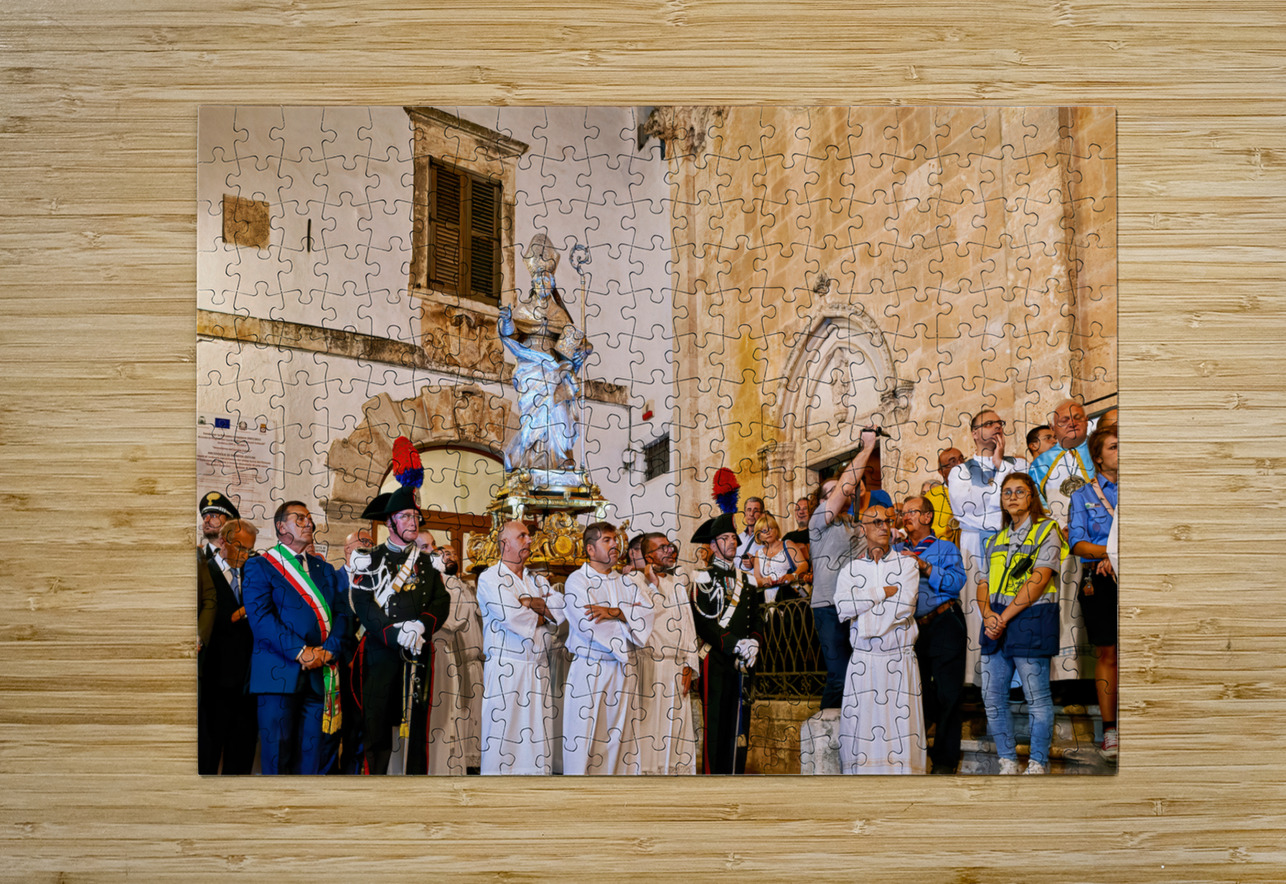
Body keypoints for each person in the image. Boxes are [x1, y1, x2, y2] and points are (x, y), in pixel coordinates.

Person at [347, 488, 450, 775]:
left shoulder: (428, 562)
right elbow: (363, 604)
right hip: (380, 654)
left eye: (415, 516)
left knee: (418, 727)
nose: (413, 522)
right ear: (389, 522)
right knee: (376, 726)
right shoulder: (369, 559)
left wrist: (421, 625)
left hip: (418, 651)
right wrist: (395, 633)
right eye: (405, 516)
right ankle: (374, 787)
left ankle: (416, 785)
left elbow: (441, 601)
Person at [242, 501, 349, 775]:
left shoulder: (325, 569)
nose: (309, 523)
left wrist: (328, 651)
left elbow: (342, 615)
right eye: (300, 518)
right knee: (278, 759)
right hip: (278, 678)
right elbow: (261, 619)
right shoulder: (259, 566)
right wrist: (301, 652)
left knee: (313, 760)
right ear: (281, 527)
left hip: (319, 676)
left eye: (309, 518)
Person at [977, 473, 1065, 774]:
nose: (1012, 497)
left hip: (1032, 616)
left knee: (1036, 698)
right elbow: (983, 583)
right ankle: (1007, 761)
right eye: (1007, 492)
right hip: (995, 622)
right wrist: (987, 614)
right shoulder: (994, 539)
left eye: (1019, 491)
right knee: (991, 696)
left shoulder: (1047, 530)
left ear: (1031, 497)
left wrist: (1001, 618)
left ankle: (1037, 763)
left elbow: (1039, 580)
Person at [833, 504, 926, 774]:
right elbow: (843, 608)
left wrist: (864, 607)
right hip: (864, 661)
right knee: (862, 733)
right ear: (862, 529)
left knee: (901, 732)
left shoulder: (907, 565)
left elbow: (903, 607)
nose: (883, 526)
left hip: (898, 661)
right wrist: (882, 592)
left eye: (887, 521)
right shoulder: (850, 570)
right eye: (875, 522)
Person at [561, 522, 654, 774]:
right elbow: (588, 624)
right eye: (607, 540)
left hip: (623, 668)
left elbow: (646, 615)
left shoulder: (626, 582)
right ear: (590, 549)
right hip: (591, 668)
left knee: (619, 735)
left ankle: (616, 788)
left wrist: (614, 612)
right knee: (585, 735)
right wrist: (626, 616)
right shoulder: (577, 581)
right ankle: (581, 789)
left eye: (615, 539)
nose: (615, 544)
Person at [477, 520, 564, 774]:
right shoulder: (490, 578)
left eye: (529, 536)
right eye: (522, 536)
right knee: (504, 735)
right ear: (505, 543)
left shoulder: (537, 580)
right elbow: (512, 616)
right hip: (507, 670)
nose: (529, 540)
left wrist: (529, 602)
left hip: (538, 669)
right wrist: (542, 612)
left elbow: (561, 610)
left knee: (537, 735)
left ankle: (535, 786)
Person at [947, 410, 1028, 683]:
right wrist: (1000, 482)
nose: (996, 427)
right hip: (975, 545)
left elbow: (1021, 502)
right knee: (976, 608)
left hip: (1014, 541)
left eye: (999, 423)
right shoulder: (959, 471)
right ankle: (979, 678)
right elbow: (966, 509)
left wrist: (1000, 467)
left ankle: (1018, 680)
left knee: (1015, 603)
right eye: (989, 423)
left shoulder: (1019, 464)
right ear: (974, 433)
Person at [896, 496, 968, 774]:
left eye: (912, 512)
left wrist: (924, 566)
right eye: (903, 513)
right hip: (912, 630)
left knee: (949, 693)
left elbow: (956, 582)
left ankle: (945, 763)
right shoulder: (896, 550)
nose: (906, 517)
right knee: (918, 693)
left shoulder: (945, 548)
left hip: (944, 621)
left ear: (927, 517)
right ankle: (915, 756)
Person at [809, 427, 878, 710]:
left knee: (859, 674)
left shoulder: (856, 525)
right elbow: (846, 486)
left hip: (856, 607)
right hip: (827, 607)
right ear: (821, 501)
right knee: (839, 675)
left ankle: (853, 727)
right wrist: (867, 448)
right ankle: (823, 730)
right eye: (831, 492)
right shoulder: (819, 521)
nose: (839, 493)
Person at [691, 513, 761, 774]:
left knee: (739, 724)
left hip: (744, 660)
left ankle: (735, 776)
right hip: (716, 660)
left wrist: (754, 642)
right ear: (713, 545)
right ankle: (713, 780)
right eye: (725, 538)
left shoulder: (748, 580)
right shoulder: (702, 577)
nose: (732, 541)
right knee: (716, 723)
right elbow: (703, 623)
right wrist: (734, 644)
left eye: (733, 537)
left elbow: (758, 618)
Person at [1069, 424, 1119, 760]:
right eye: (1114, 447)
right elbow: (1078, 543)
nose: (1121, 451)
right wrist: (1110, 555)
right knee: (1108, 653)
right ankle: (1110, 729)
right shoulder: (1082, 495)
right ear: (1098, 458)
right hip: (1099, 580)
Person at [198, 518, 259, 774]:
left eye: (249, 550)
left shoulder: (254, 575)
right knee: (208, 755)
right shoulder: (204, 572)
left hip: (248, 683)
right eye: (239, 547)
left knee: (241, 756)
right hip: (215, 681)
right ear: (223, 542)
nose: (244, 555)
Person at [636, 532, 699, 775]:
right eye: (662, 548)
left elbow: (688, 626)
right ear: (648, 556)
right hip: (650, 666)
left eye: (670, 546)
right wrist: (652, 584)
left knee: (676, 729)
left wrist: (689, 664)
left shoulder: (677, 584)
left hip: (677, 666)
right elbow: (640, 619)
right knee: (649, 726)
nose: (669, 551)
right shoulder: (634, 581)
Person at [333, 524, 373, 774]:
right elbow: (330, 623)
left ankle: (357, 773)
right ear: (348, 550)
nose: (369, 547)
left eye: (371, 544)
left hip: (369, 663)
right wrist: (349, 656)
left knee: (361, 724)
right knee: (341, 724)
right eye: (363, 543)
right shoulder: (333, 579)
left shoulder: (374, 581)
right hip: (342, 663)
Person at [748, 513, 809, 604]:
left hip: (789, 597)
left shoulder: (787, 544)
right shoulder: (758, 553)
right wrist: (763, 581)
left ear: (776, 530)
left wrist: (793, 575)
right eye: (764, 531)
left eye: (770, 528)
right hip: (768, 600)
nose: (768, 532)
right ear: (759, 536)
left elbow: (804, 564)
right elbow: (757, 579)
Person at [925, 448, 963, 547]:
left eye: (962, 460)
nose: (960, 465)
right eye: (953, 462)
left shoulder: (977, 489)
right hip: (941, 550)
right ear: (941, 471)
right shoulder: (931, 496)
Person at [199, 491, 240, 561]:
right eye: (204, 517)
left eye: (213, 516)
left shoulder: (246, 558)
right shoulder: (197, 558)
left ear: (229, 522)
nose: (206, 520)